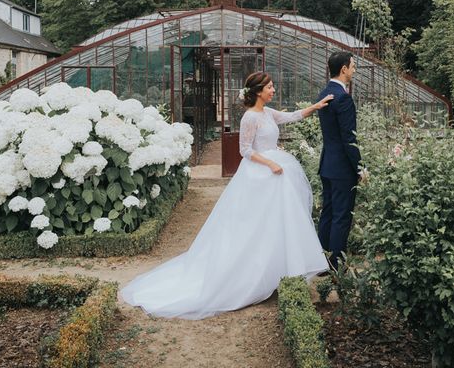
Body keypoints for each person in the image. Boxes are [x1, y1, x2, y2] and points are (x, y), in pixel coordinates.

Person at [121, 72, 334, 319]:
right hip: (260, 174)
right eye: (270, 87)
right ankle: (250, 276)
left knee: (275, 225)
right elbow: (245, 150)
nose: (273, 90)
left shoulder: (267, 112)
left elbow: (292, 116)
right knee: (253, 227)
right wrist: (270, 163)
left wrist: (317, 106)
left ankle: (276, 272)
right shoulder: (250, 117)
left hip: (274, 174)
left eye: (273, 86)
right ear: (257, 91)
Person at [316, 51, 362, 271]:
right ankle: (336, 266)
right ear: (343, 69)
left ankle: (322, 262)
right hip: (342, 168)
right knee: (341, 217)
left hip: (327, 164)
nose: (354, 70)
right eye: (353, 66)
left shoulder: (324, 94)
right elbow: (348, 138)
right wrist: (360, 168)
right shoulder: (343, 98)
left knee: (328, 213)